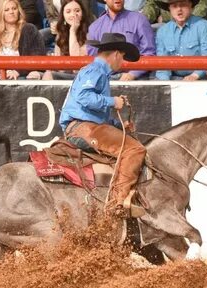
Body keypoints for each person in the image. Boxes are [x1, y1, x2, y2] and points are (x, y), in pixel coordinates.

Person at [59, 32, 146, 217]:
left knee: (127, 145)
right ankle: (117, 204)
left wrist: (119, 125)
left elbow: (96, 113)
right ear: (115, 54)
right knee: (134, 150)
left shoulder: (96, 73)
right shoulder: (95, 71)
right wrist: (112, 101)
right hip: (82, 128)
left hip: (85, 126)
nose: (122, 64)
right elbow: (84, 97)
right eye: (122, 58)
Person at [87, 0, 155, 80]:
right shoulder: (94, 27)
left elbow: (149, 54)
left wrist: (133, 74)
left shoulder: (140, 20)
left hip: (135, 79)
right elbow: (92, 59)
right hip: (105, 78)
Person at [0, 0, 46, 80]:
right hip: (1, 77)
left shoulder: (29, 29)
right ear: (0, 13)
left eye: (14, 8)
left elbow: (37, 58)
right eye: (7, 10)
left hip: (23, 75)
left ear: (19, 11)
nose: (11, 12)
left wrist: (18, 71)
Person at [155, 0, 207, 80]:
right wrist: (165, 82)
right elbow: (162, 63)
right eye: (174, 6)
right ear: (169, 9)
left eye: (183, 5)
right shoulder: (162, 31)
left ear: (191, 6)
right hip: (173, 79)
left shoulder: (204, 26)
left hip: (200, 79)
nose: (179, 9)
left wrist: (195, 75)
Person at [42, 0, 90, 80]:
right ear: (63, 16)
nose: (73, 15)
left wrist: (73, 31)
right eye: (68, 12)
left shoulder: (90, 34)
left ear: (82, 14)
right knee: (48, 74)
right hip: (67, 74)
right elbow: (59, 65)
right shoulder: (61, 35)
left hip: (84, 76)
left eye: (77, 11)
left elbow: (77, 64)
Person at [142, 0, 207, 29]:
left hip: (192, 23)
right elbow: (152, 4)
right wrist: (142, 20)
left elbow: (201, 7)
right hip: (166, 25)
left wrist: (182, 21)